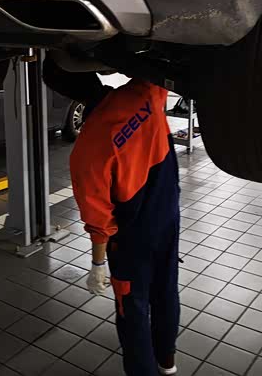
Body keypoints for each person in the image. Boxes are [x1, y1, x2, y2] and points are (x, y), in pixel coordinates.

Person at [43, 58, 181, 376]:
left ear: (67, 94)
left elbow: (98, 218)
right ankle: (167, 363)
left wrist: (97, 265)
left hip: (131, 240)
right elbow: (156, 71)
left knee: (132, 309)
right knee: (166, 290)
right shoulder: (145, 93)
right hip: (167, 219)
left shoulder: (88, 146)